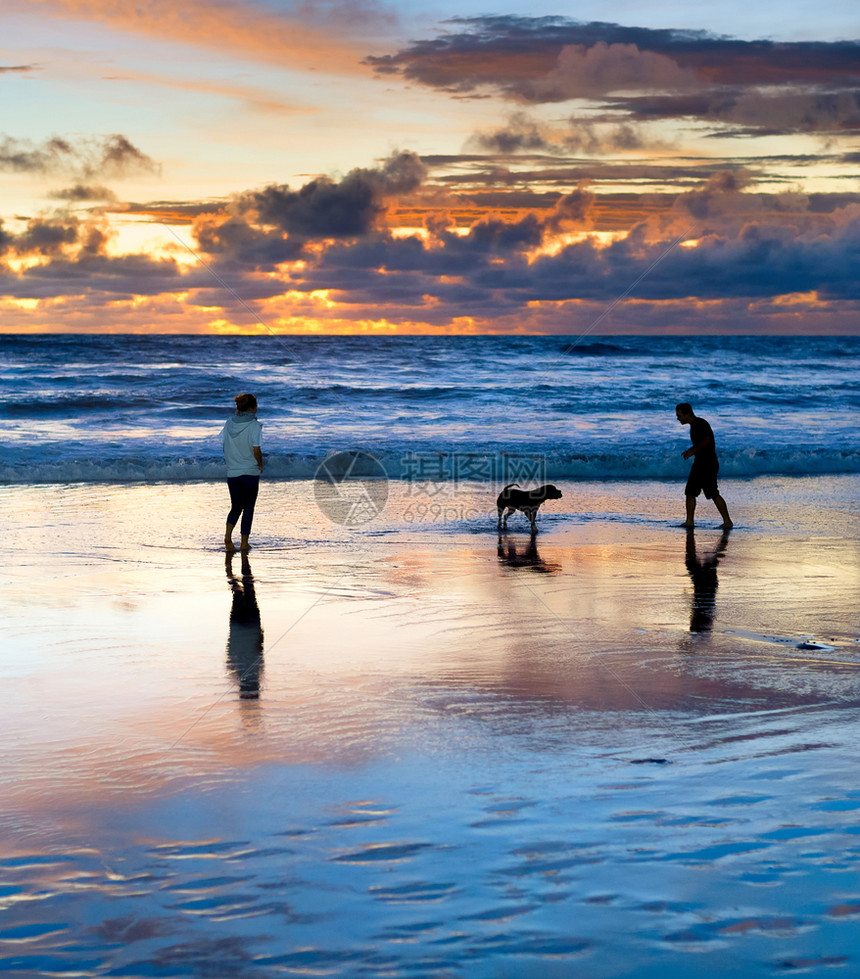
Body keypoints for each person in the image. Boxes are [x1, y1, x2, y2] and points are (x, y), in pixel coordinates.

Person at [675, 402, 732, 529]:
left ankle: (727, 521)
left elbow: (707, 441)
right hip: (702, 462)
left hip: (707, 463)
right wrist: (692, 450)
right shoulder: (695, 425)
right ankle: (690, 521)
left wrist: (692, 451)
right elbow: (702, 443)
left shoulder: (700, 424)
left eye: (679, 415)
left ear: (687, 413)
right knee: (692, 491)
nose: (677, 418)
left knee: (711, 493)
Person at [221, 393, 263, 551]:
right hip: (250, 472)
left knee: (236, 507)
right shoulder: (254, 425)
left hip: (233, 472)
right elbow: (257, 450)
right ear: (252, 408)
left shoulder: (229, 423)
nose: (257, 408)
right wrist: (260, 464)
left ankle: (228, 536)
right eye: (256, 405)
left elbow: (225, 446)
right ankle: (244, 542)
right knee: (249, 508)